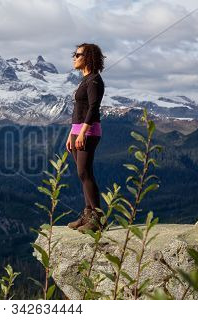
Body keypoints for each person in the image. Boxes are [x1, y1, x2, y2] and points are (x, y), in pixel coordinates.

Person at [66, 43, 106, 233]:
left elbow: (93, 108)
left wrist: (82, 132)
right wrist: (71, 134)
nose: (74, 57)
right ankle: (87, 214)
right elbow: (78, 110)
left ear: (88, 57)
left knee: (85, 173)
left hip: (88, 132)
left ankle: (97, 219)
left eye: (78, 54)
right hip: (77, 132)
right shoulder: (85, 80)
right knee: (83, 174)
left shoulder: (94, 81)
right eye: (74, 54)